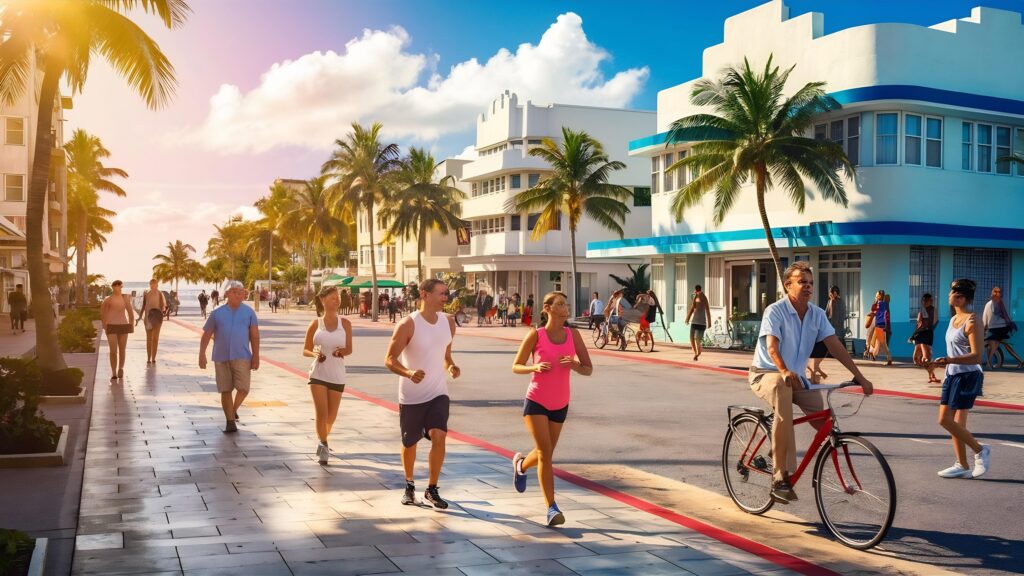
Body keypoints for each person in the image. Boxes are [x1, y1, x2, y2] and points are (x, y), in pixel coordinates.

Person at [749, 261, 873, 503]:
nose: (808, 287)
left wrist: (859, 375)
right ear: (788, 286)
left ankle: (786, 453)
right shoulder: (775, 311)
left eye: (811, 283)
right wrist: (784, 370)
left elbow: (835, 346)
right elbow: (772, 347)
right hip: (766, 373)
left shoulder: (816, 314)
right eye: (802, 282)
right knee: (783, 392)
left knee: (827, 425)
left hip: (798, 379)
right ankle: (779, 476)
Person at [511, 292, 593, 526]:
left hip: (561, 403)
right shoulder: (535, 336)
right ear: (547, 308)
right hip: (536, 400)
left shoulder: (573, 334)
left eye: (566, 304)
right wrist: (533, 367)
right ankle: (551, 508)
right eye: (559, 304)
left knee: (543, 452)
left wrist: (575, 365)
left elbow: (589, 369)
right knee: (546, 454)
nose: (565, 308)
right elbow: (516, 366)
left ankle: (520, 464)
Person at [384, 278, 460, 509]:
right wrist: (408, 372)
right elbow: (389, 359)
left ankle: (432, 489)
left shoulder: (448, 322)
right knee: (410, 443)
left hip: (438, 392)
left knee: (439, 435)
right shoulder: (408, 324)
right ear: (424, 295)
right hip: (412, 395)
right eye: (441, 293)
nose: (445, 298)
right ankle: (409, 485)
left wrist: (451, 366)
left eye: (446, 293)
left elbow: (445, 354)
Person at [927, 279, 991, 479]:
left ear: (961, 298)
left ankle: (980, 450)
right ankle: (962, 464)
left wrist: (948, 360)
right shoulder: (954, 319)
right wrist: (942, 363)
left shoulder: (973, 321)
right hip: (952, 374)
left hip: (968, 375)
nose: (948, 296)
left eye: (952, 293)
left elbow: (977, 355)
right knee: (955, 423)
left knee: (945, 420)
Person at [199, 281, 260, 434]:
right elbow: (206, 335)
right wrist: (202, 354)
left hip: (243, 356)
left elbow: (254, 336)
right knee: (225, 390)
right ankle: (230, 421)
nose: (238, 294)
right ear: (226, 294)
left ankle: (232, 410)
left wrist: (256, 356)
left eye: (241, 291)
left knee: (244, 388)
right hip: (221, 356)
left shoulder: (249, 312)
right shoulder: (217, 313)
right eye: (234, 291)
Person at [303, 286, 352, 464]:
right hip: (318, 374)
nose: (337, 300)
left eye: (337, 297)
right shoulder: (315, 324)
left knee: (332, 416)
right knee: (322, 413)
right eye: (332, 297)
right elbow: (306, 349)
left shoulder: (345, 323)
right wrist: (315, 353)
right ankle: (323, 445)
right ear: (323, 300)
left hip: (337, 374)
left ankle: (322, 439)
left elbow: (350, 349)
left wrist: (342, 352)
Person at [809, 286, 846, 383]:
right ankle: (816, 370)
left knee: (835, 345)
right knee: (827, 346)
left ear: (835, 293)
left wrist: (836, 328)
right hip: (829, 326)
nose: (829, 294)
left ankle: (816, 370)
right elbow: (826, 313)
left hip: (836, 327)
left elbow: (841, 316)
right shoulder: (829, 301)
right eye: (829, 293)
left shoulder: (840, 302)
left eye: (831, 292)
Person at [100, 280, 134, 382]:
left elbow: (130, 313)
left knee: (122, 349)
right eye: (115, 285)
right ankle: (113, 372)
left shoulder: (125, 298)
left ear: (121, 286)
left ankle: (120, 368)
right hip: (111, 326)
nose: (117, 287)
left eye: (119, 285)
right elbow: (103, 314)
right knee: (113, 351)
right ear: (113, 287)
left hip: (124, 325)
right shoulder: (108, 300)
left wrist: (131, 325)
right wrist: (105, 327)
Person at [982, 286, 1022, 369]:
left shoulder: (990, 304)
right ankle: (1020, 361)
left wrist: (984, 328)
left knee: (992, 347)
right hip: (1001, 328)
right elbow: (1007, 316)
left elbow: (984, 318)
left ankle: (989, 365)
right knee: (996, 346)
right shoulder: (1000, 303)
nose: (997, 294)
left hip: (994, 329)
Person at [910, 293, 940, 383]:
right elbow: (922, 324)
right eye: (923, 300)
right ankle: (932, 374)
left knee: (925, 358)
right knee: (916, 358)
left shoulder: (928, 311)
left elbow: (925, 325)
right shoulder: (926, 310)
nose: (924, 302)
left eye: (926, 300)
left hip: (924, 334)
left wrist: (914, 335)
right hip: (922, 334)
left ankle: (932, 374)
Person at [142, 280, 167, 365]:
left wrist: (161, 315)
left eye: (154, 284)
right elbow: (143, 305)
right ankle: (148, 358)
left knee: (155, 339)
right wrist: (139, 317)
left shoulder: (160, 294)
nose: (152, 285)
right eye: (151, 284)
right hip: (148, 318)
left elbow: (163, 307)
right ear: (149, 285)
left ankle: (153, 358)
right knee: (149, 339)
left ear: (157, 285)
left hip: (157, 318)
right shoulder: (146, 293)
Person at [686, 285, 711, 361]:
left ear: (696, 289)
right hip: (694, 321)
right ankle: (695, 352)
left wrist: (709, 322)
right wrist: (687, 318)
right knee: (691, 337)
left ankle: (698, 352)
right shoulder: (695, 297)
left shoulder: (703, 297)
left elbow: (707, 309)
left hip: (701, 322)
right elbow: (692, 308)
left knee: (697, 338)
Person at [867, 290, 892, 365]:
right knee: (875, 340)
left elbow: (874, 312)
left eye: (877, 295)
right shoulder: (884, 304)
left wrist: (870, 315)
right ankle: (873, 354)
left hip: (880, 325)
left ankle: (889, 358)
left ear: (880, 296)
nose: (876, 296)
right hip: (881, 324)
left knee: (883, 344)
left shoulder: (879, 304)